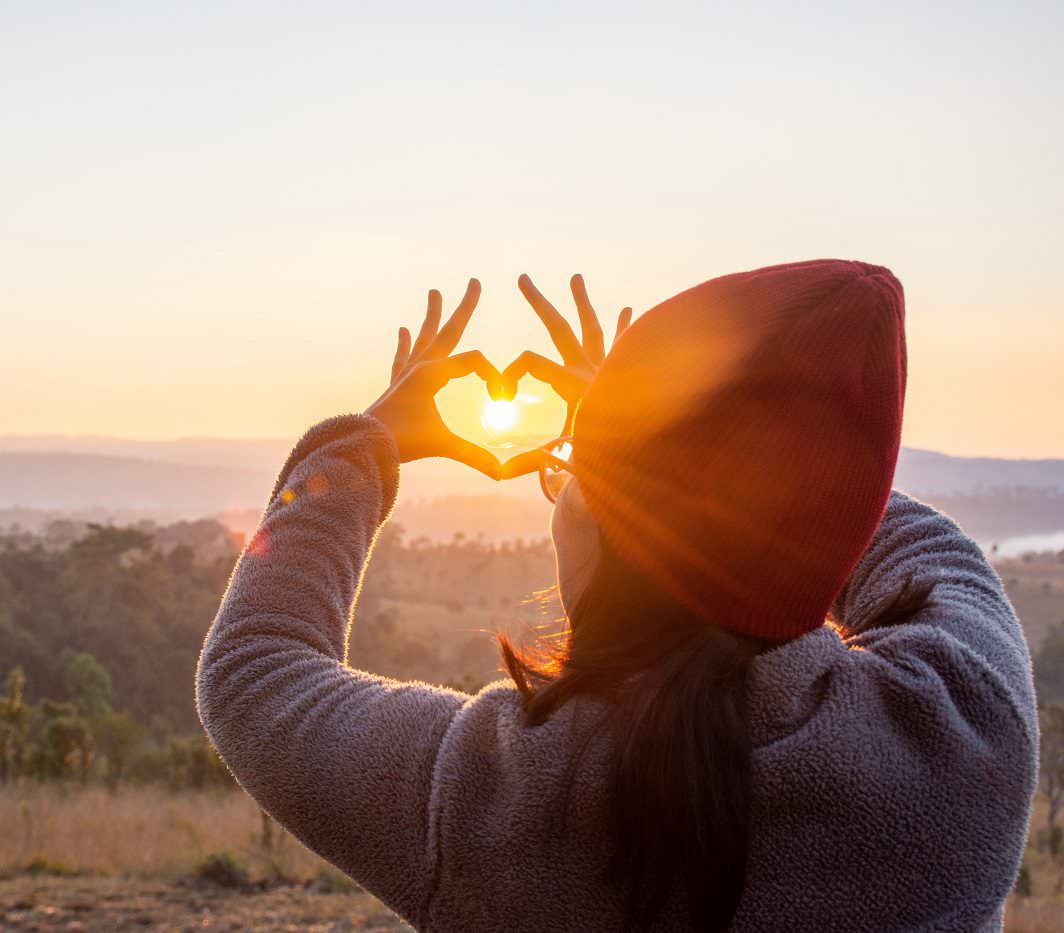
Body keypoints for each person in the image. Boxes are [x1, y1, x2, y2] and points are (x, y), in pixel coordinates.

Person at [195, 260, 1038, 931]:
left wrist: (359, 444)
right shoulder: (967, 732)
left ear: (593, 527)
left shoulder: (500, 801)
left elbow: (255, 672)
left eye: (568, 473)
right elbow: (901, 538)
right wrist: (707, 440)